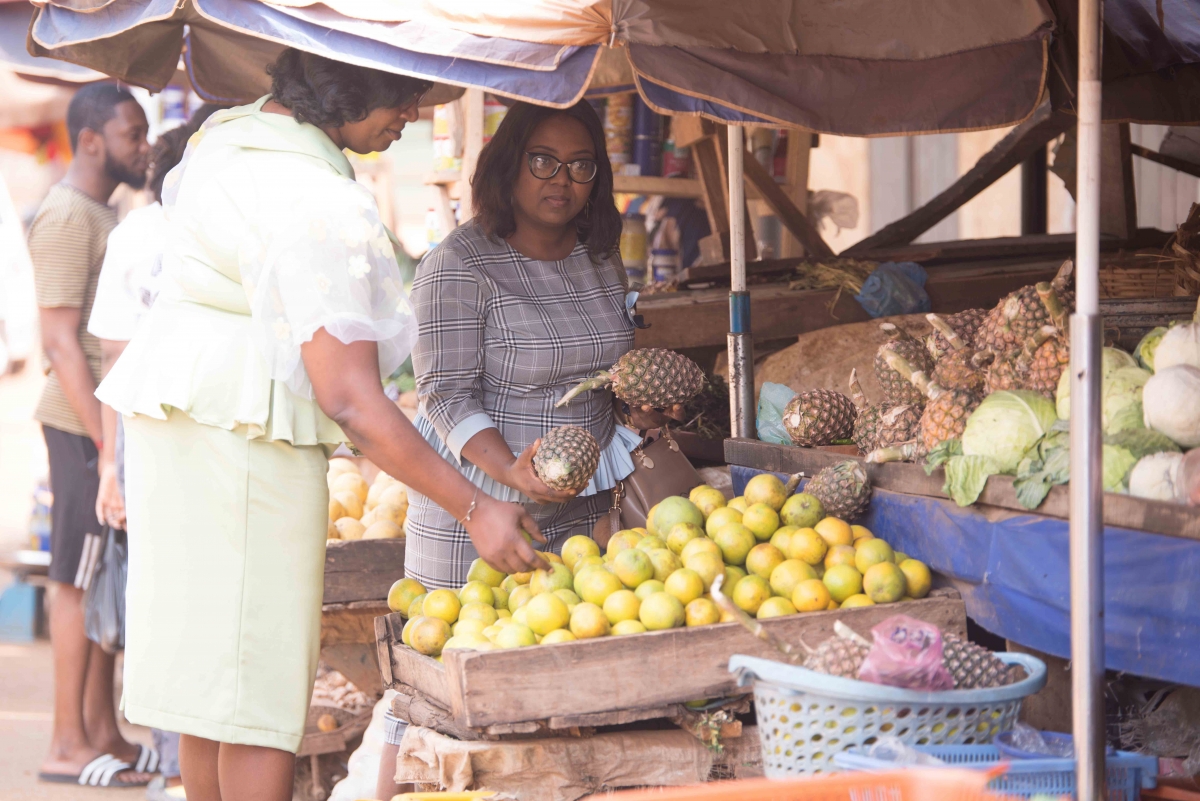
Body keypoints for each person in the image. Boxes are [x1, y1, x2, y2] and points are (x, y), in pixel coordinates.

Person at [95, 49, 544, 801]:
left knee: (212, 691)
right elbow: (352, 402)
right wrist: (475, 505)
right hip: (243, 442)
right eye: (401, 97)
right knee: (262, 695)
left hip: (181, 422)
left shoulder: (232, 135)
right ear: (349, 88)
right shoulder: (313, 198)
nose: (413, 114)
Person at [405, 99, 680, 593]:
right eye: (542, 161)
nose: (561, 179)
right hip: (485, 513)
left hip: (589, 507)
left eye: (580, 165)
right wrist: (510, 471)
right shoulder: (459, 264)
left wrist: (641, 409)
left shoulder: (598, 260)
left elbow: (603, 370)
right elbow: (445, 393)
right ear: (509, 163)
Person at [90, 106, 223, 801]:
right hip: (164, 440)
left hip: (199, 440)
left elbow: (114, 353)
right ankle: (175, 761)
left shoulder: (214, 233)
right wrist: (112, 466)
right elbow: (115, 354)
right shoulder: (142, 234)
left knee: (178, 601)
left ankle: (185, 764)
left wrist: (115, 465)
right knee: (170, 601)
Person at [29, 82, 155, 789]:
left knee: (100, 573)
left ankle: (102, 727)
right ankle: (66, 739)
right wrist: (107, 445)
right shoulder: (67, 216)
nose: (143, 146)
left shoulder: (102, 213)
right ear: (91, 141)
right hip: (79, 428)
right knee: (74, 582)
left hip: (99, 430)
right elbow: (60, 341)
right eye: (132, 133)